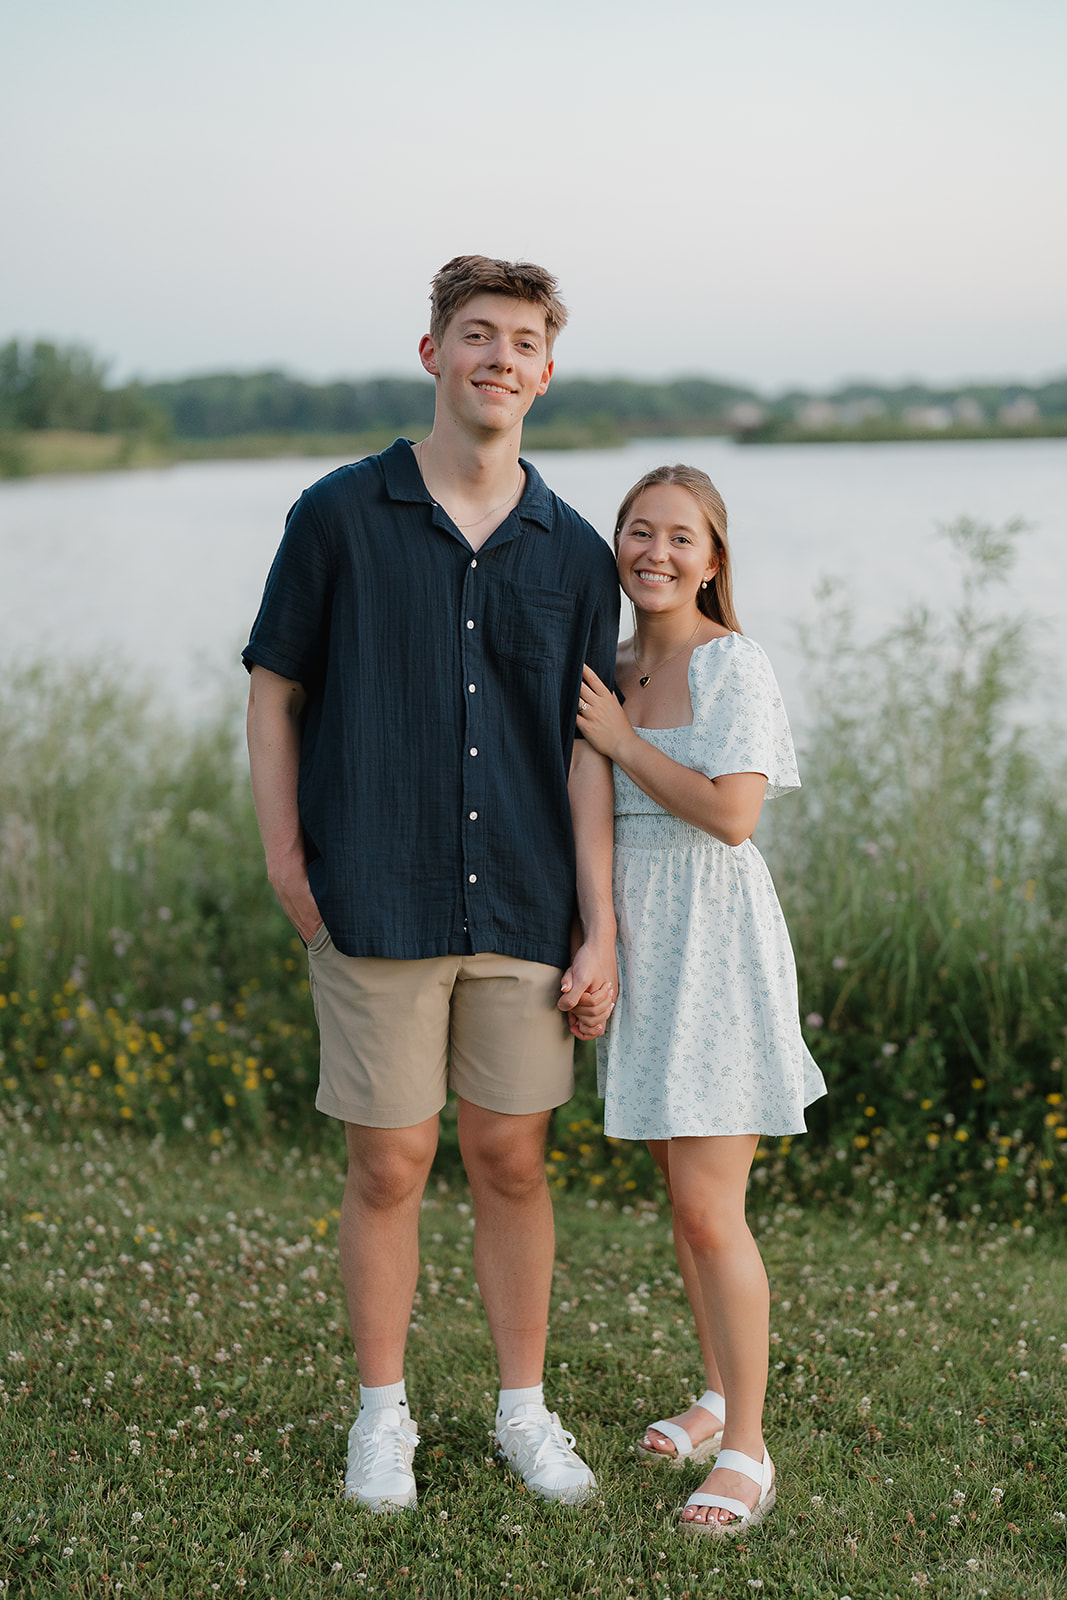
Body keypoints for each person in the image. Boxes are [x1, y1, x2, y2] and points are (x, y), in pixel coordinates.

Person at [243, 256, 620, 1513]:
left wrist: (598, 926)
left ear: (546, 374)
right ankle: (381, 1416)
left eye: (521, 342)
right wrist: (287, 858)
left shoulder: (573, 550)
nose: (498, 359)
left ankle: (523, 1410)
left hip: (522, 898)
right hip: (376, 892)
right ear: (432, 355)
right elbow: (274, 689)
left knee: (511, 1159)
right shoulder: (339, 515)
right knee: (390, 1164)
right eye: (475, 335)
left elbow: (582, 747)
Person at [576, 464, 826, 1536]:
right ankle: (717, 1388)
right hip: (638, 941)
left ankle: (748, 1451)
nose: (656, 552)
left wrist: (623, 742)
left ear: (712, 559)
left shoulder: (733, 665)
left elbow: (733, 817)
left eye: (680, 537)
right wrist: (595, 940)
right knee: (679, 1199)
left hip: (714, 943)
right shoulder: (612, 664)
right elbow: (589, 805)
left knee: (710, 1209)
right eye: (638, 531)